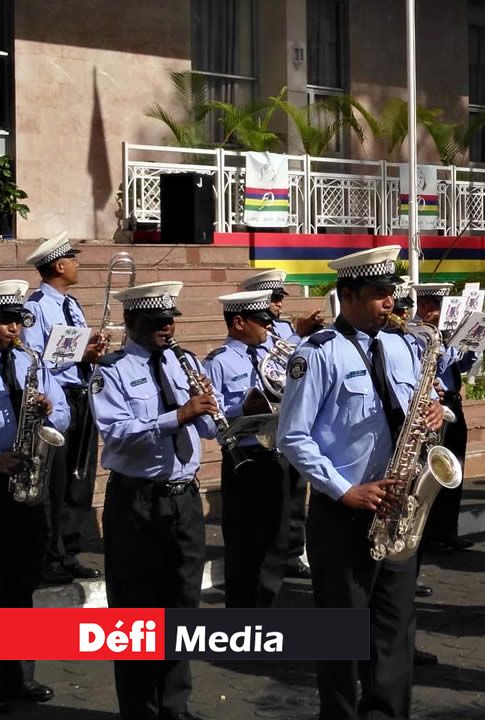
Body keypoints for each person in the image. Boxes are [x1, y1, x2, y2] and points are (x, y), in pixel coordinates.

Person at [276, 246, 444, 720]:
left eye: (391, 292)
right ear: (346, 295)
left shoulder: (403, 345)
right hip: (344, 510)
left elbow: (420, 404)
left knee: (394, 629)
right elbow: (293, 436)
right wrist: (344, 489)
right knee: (342, 634)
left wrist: (436, 411)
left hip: (399, 505)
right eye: (378, 293)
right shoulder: (317, 354)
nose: (390, 302)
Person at [90, 280, 219, 720]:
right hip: (137, 501)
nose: (167, 328)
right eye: (156, 322)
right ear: (131, 322)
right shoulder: (110, 370)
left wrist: (213, 415)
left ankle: (174, 706)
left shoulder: (184, 361)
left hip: (183, 499)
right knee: (135, 612)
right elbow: (118, 431)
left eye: (170, 321)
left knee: (182, 607)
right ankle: (140, 710)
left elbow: (207, 430)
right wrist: (178, 414)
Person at [0, 280, 70, 714]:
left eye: (18, 322)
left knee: (22, 583)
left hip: (28, 483)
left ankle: (19, 674)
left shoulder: (33, 362)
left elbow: (65, 411)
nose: (14, 330)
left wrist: (49, 409)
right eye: (5, 321)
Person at [21, 232, 106, 584]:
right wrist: (80, 353)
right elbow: (34, 358)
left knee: (79, 479)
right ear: (59, 265)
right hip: (58, 398)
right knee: (54, 482)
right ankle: (48, 555)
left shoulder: (72, 304)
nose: (78, 263)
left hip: (82, 392)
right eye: (73, 259)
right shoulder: (36, 307)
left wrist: (94, 349)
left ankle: (68, 551)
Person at [203, 289, 295, 608]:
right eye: (261, 322)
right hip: (244, 456)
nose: (268, 328)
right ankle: (242, 611)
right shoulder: (219, 362)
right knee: (244, 539)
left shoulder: (275, 352)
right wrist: (242, 409)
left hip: (276, 452)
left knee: (276, 537)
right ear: (239, 322)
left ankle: (267, 604)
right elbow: (210, 415)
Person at [241, 268, 322, 579]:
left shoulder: (281, 329)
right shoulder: (271, 333)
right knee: (270, 502)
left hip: (287, 420)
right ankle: (273, 554)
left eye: (278, 299)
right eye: (273, 300)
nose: (278, 305)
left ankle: (291, 551)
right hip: (260, 429)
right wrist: (297, 334)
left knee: (295, 491)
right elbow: (273, 364)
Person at [412, 283, 476, 553]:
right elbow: (436, 366)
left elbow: (461, 366)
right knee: (431, 469)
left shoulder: (442, 332)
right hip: (433, 405)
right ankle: (429, 532)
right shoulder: (417, 333)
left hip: (452, 401)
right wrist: (449, 342)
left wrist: (472, 345)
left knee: (454, 466)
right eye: (439, 307)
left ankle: (448, 530)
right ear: (425, 307)